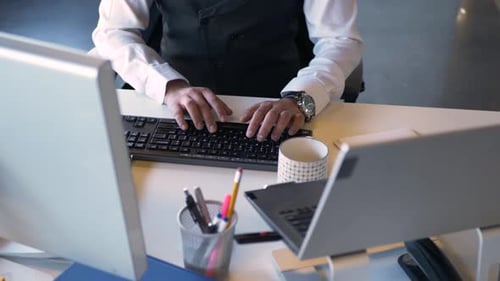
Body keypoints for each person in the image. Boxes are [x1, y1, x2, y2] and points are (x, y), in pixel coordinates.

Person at [91, 0, 363, 141]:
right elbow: (114, 30)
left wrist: (302, 98)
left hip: (275, 103)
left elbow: (339, 39)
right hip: (174, 99)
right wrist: (168, 85)